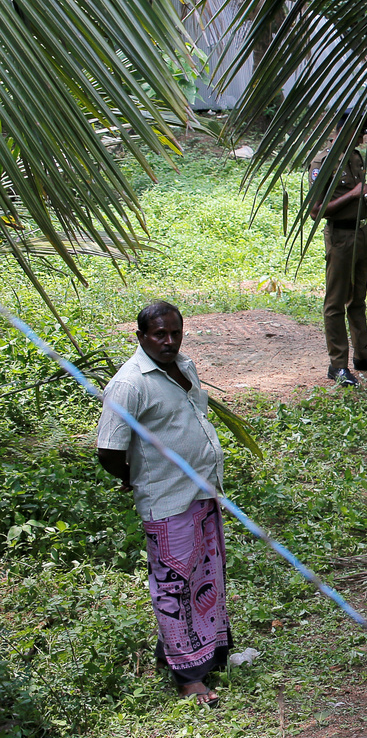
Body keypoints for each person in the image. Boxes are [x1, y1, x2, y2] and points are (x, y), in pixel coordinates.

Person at [97, 302, 230, 707]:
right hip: (168, 501)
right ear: (141, 337)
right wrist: (135, 477)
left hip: (201, 493)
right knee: (174, 586)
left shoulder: (183, 366)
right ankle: (188, 677)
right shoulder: (130, 384)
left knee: (205, 578)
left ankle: (201, 654)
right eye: (159, 334)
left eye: (175, 333)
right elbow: (108, 449)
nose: (169, 341)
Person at [309, 113, 367, 387]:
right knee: (335, 303)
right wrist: (354, 194)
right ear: (344, 131)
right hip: (340, 237)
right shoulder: (323, 162)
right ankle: (337, 365)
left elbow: (358, 196)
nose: (363, 138)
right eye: (360, 133)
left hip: (362, 233)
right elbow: (316, 211)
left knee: (358, 299)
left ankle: (362, 356)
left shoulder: (356, 158)